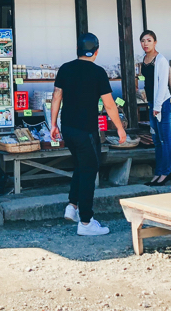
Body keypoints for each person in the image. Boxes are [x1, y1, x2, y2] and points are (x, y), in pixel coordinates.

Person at [50, 33, 127, 236]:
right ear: (96, 51)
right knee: (89, 170)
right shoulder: (98, 72)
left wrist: (53, 124)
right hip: (87, 130)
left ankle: (72, 206)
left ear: (77, 50)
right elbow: (109, 104)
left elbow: (57, 96)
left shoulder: (65, 68)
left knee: (80, 166)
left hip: (67, 127)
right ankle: (86, 222)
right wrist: (119, 127)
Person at [139, 30, 171, 187]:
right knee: (156, 140)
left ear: (155, 42)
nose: (145, 43)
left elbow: (162, 85)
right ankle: (159, 172)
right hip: (152, 103)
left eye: (149, 40)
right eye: (143, 40)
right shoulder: (145, 59)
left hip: (163, 104)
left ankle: (166, 173)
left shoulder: (160, 60)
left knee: (165, 139)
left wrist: (157, 107)